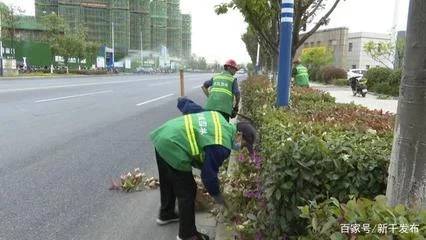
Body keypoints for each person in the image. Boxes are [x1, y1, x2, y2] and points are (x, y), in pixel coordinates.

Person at [150, 111, 256, 240]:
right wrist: (218, 198)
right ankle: (187, 234)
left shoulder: (220, 120)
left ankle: (166, 213)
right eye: (244, 144)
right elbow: (208, 176)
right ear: (239, 135)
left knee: (167, 180)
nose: (242, 148)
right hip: (174, 145)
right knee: (188, 190)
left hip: (164, 135)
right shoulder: (222, 144)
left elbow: (203, 151)